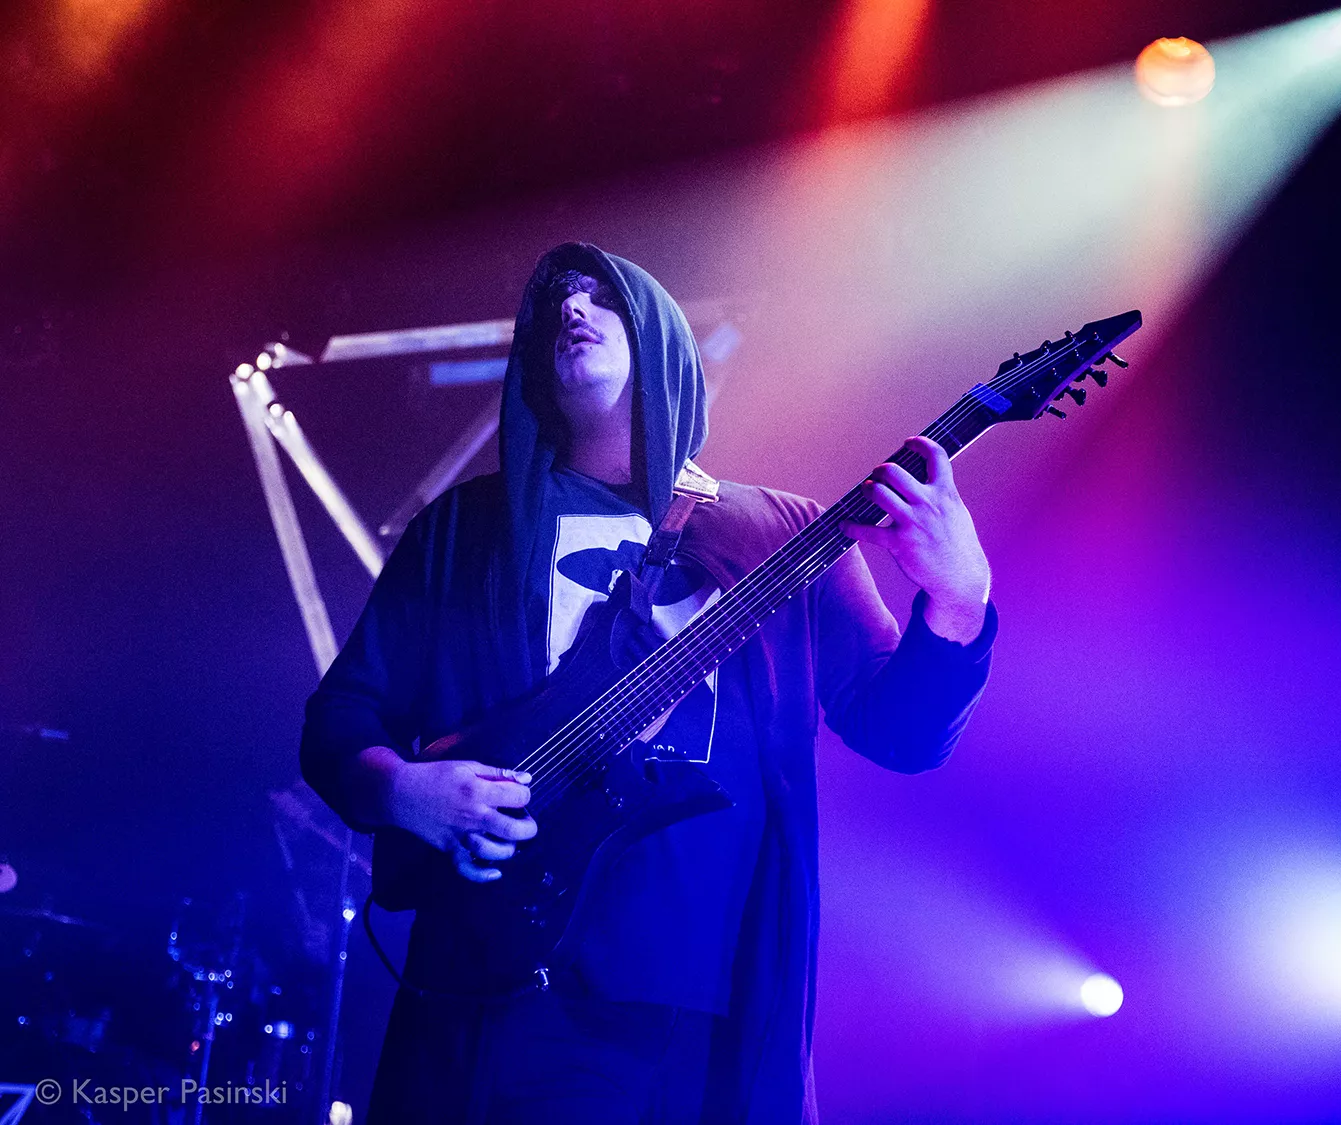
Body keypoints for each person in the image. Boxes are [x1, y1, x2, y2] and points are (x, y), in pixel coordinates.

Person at [300, 243, 997, 1124]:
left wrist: (959, 599)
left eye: (601, 296)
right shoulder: (462, 530)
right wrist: (404, 791)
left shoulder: (785, 531)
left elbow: (901, 733)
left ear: (662, 338)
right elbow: (342, 715)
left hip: (699, 1006)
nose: (572, 308)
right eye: (557, 300)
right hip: (490, 988)